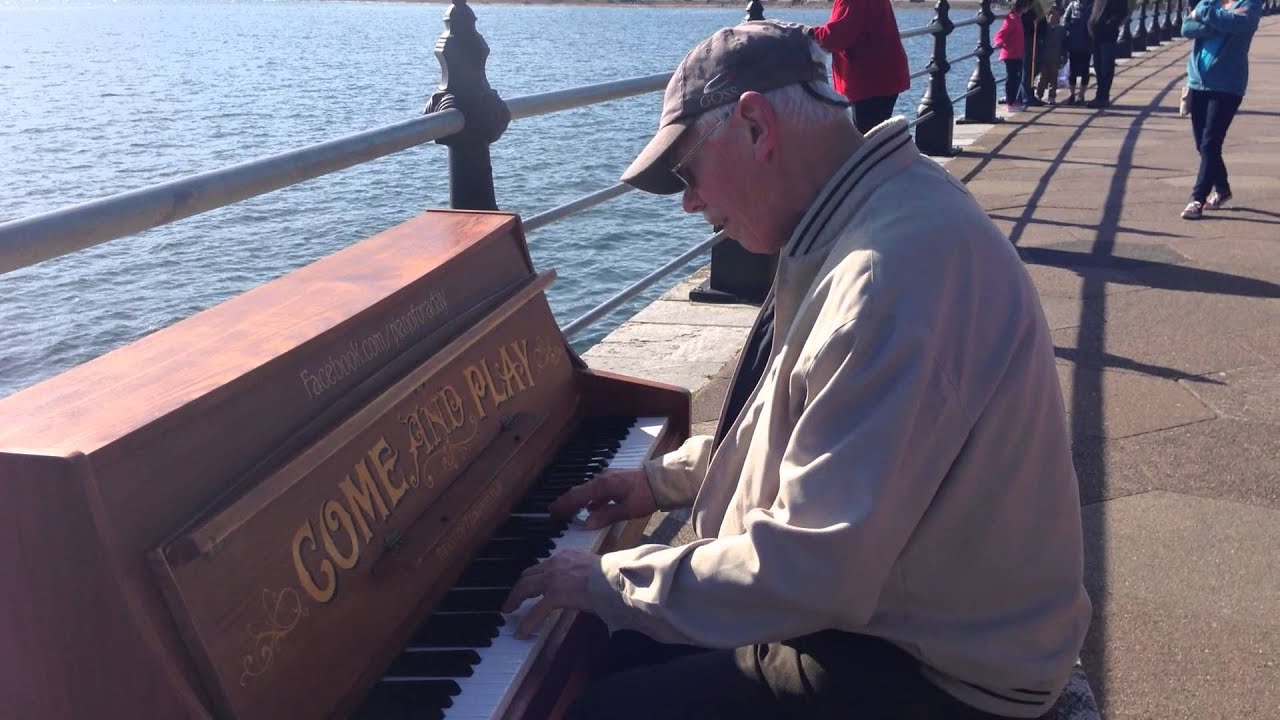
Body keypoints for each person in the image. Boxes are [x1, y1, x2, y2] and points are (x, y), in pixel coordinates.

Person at [502, 20, 1091, 720]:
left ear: (756, 126)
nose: (688, 201)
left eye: (686, 172)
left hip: (948, 670)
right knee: (609, 645)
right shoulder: (872, 218)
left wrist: (605, 578)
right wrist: (657, 481)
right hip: (911, 608)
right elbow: (808, 426)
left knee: (603, 705)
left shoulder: (886, 278)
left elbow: (814, 568)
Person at [1179, 0, 1260, 219]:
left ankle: (1197, 198)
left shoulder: (1251, 5)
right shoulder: (1211, 1)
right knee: (1202, 144)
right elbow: (1186, 28)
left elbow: (1238, 24)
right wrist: (1218, 21)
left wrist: (1203, 14)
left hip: (1228, 84)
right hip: (1198, 81)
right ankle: (1222, 189)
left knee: (1210, 142)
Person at [806, 0, 910, 132]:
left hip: (871, 81)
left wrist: (806, 34)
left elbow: (836, 37)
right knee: (876, 137)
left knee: (868, 139)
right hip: (882, 76)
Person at [1087, 0, 1129, 108]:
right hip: (1096, 34)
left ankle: (1103, 97)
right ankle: (1099, 96)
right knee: (1098, 66)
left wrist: (1109, 24)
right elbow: (1094, 9)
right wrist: (1091, 23)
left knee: (1106, 66)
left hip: (1108, 35)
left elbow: (1122, 13)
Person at [995, 0, 1029, 110]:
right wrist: (999, 42)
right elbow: (1001, 34)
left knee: (1017, 77)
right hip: (1010, 54)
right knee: (1012, 78)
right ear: (1023, 7)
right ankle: (1010, 102)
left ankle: (1014, 100)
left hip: (1018, 54)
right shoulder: (1011, 19)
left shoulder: (1018, 19)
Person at [1036, 8, 1070, 104]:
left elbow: (1064, 46)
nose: (1054, 17)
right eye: (1052, 15)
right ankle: (1039, 96)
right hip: (1043, 57)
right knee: (1042, 78)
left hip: (1056, 57)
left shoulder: (1062, 30)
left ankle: (1052, 97)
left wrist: (1064, 57)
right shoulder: (1043, 28)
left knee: (1054, 79)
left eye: (1056, 16)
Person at [1064, 0, 1095, 104]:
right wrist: (1071, 27)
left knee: (1085, 70)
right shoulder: (1072, 5)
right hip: (1073, 43)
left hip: (1087, 44)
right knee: (1072, 71)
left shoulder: (1093, 4)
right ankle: (1072, 94)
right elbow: (1065, 20)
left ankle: (1081, 95)